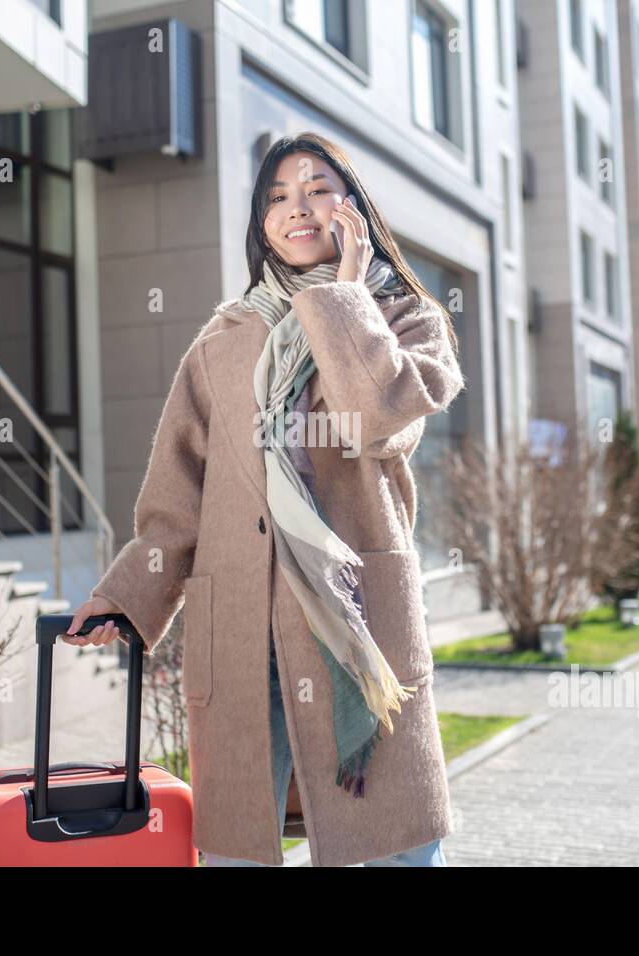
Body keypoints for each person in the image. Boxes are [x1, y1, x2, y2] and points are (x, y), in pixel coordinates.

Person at [64, 132, 464, 867]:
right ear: (260, 223)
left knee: (395, 845)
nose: (297, 208)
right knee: (239, 849)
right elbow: (177, 496)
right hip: (242, 628)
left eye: (316, 188)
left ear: (353, 206)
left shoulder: (407, 321)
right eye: (277, 197)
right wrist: (127, 595)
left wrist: (344, 297)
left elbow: (376, 420)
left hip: (353, 623)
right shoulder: (223, 341)